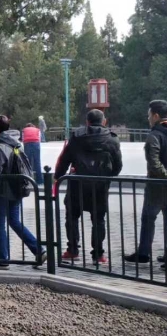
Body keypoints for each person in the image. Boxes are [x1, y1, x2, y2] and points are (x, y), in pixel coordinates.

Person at [54, 109, 122, 265]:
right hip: (100, 186)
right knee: (98, 220)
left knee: (71, 217)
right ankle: (98, 255)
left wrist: (58, 177)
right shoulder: (112, 140)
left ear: (87, 122)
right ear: (104, 121)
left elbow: (65, 159)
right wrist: (108, 176)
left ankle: (72, 250)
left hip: (77, 183)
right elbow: (118, 165)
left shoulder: (77, 137)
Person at [0, 115, 46, 269]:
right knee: (14, 221)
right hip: (17, 189)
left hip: (3, 191)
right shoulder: (17, 144)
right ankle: (39, 249)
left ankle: (3, 259)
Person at [124, 100, 167, 267]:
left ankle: (143, 253)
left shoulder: (154, 135)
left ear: (156, 116)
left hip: (157, 185)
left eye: (149, 115)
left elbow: (154, 162)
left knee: (148, 218)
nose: (148, 118)